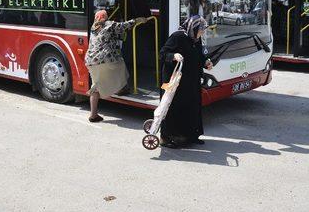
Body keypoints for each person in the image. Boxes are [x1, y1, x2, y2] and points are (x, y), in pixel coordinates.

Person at [158, 15, 213, 148]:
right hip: (176, 80)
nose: (202, 33)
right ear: (193, 28)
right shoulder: (178, 37)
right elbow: (162, 54)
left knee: (192, 106)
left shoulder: (195, 38)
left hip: (191, 79)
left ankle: (191, 135)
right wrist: (173, 56)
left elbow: (199, 55)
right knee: (174, 107)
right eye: (201, 30)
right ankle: (167, 137)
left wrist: (206, 62)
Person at [84, 10, 148, 122]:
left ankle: (93, 114)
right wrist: (139, 20)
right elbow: (125, 25)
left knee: (96, 86)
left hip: (90, 61)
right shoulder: (110, 24)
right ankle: (121, 89)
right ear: (105, 17)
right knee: (121, 66)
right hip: (105, 60)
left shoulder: (94, 27)